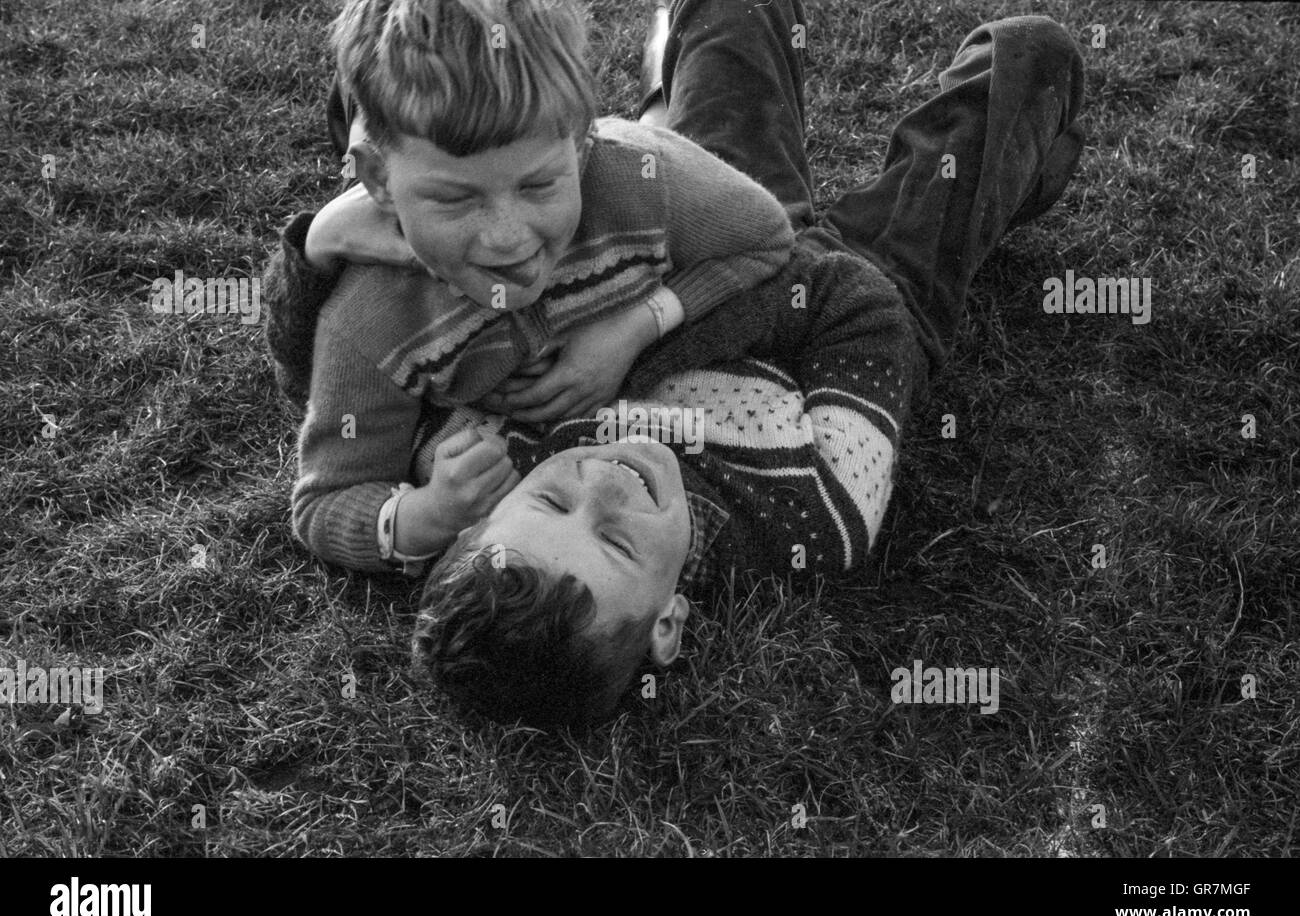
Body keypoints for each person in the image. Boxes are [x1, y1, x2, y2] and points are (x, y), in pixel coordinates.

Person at [269, 0, 1086, 729]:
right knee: (1031, 58)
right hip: (848, 291)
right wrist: (669, 323)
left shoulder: (491, 481)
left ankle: (663, 92)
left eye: (553, 494)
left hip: (695, 248)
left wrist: (316, 253)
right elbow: (862, 312)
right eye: (619, 544)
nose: (603, 483)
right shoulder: (814, 522)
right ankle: (1028, 161)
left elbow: (332, 400)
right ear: (671, 621)